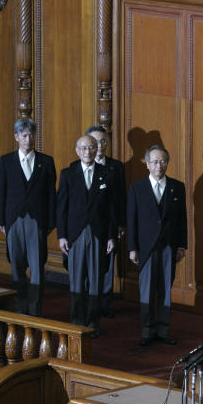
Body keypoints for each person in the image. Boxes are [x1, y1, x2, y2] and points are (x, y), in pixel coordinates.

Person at [56, 135, 117, 336]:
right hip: (75, 235)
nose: (88, 151)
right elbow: (61, 208)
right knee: (76, 280)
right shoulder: (67, 174)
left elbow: (111, 210)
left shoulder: (107, 174)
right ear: (77, 150)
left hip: (99, 234)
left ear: (97, 148)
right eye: (83, 148)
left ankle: (92, 324)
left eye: (91, 147)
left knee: (96, 281)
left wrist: (111, 236)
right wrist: (62, 236)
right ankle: (76, 322)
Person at [126, 145, 186, 346]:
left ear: (167, 163)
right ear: (147, 164)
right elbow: (131, 220)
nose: (158, 166)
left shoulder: (177, 187)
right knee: (147, 291)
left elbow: (182, 220)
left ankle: (163, 330)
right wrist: (132, 248)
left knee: (165, 291)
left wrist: (181, 245)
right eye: (154, 161)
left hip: (169, 246)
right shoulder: (137, 188)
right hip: (146, 248)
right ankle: (147, 331)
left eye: (163, 161)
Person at [0, 117, 57, 316]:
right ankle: (21, 309)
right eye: (24, 135)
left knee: (37, 269)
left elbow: (50, 195)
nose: (28, 139)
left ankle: (35, 309)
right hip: (13, 220)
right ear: (16, 137)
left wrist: (50, 221)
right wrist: (1, 220)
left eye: (31, 134)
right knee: (17, 267)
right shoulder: (6, 161)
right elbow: (1, 192)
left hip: (37, 220)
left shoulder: (46, 162)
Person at [87, 125, 126, 318]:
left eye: (103, 141)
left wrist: (120, 224)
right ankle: (88, 300)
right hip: (87, 225)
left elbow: (120, 198)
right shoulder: (78, 166)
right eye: (95, 142)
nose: (100, 146)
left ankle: (105, 302)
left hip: (109, 223)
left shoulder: (116, 167)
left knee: (108, 262)